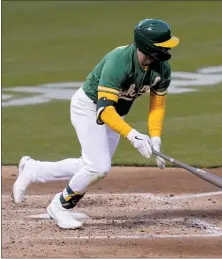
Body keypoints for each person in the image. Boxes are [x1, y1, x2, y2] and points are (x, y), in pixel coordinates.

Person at [12, 18, 180, 229]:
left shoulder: (162, 70)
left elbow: (157, 107)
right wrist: (132, 135)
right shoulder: (119, 61)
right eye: (163, 46)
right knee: (98, 166)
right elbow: (105, 110)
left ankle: (32, 170)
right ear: (148, 46)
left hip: (114, 114)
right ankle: (59, 207)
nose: (167, 51)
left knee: (89, 165)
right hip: (89, 108)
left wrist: (155, 137)